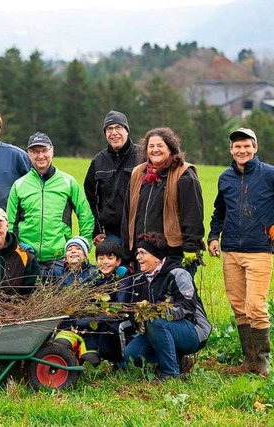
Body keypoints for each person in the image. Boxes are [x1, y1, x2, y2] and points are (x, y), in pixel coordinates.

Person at [208, 127, 274, 377]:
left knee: (255, 305)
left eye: (246, 145)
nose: (241, 150)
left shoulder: (271, 175)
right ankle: (248, 362)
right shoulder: (225, 178)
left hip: (259, 251)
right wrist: (213, 235)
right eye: (237, 146)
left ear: (255, 148)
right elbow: (219, 211)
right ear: (231, 150)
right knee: (238, 306)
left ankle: (262, 365)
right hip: (230, 251)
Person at [123, 232, 211, 380]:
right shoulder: (139, 279)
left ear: (156, 257)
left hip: (193, 329)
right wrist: (138, 322)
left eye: (142, 253)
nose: (138, 257)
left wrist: (156, 311)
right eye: (137, 253)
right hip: (158, 329)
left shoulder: (178, 274)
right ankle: (177, 360)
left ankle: (170, 373)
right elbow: (133, 308)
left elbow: (187, 306)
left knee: (155, 320)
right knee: (131, 355)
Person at [6, 132, 94, 275]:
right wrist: (15, 248)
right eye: (35, 151)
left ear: (52, 151)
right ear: (28, 154)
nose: (40, 156)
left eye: (44, 150)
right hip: (27, 257)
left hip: (59, 258)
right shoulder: (19, 185)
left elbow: (85, 215)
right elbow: (10, 222)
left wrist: (84, 246)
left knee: (61, 297)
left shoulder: (68, 182)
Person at [121, 127, 205, 276]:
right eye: (151, 146)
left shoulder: (184, 173)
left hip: (172, 252)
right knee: (145, 297)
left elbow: (193, 215)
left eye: (160, 146)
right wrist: (128, 251)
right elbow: (128, 214)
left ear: (171, 148)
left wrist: (191, 249)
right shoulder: (137, 173)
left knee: (173, 296)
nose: (155, 150)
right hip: (142, 252)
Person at [84, 110, 141, 246]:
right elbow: (91, 200)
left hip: (140, 232)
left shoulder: (142, 157)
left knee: (142, 268)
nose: (114, 133)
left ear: (127, 130)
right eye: (109, 129)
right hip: (112, 234)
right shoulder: (98, 162)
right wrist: (97, 230)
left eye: (118, 127)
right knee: (113, 267)